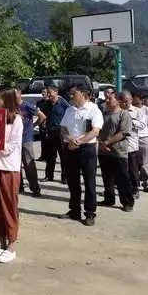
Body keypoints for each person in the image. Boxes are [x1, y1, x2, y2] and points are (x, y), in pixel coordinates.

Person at [0, 89, 23, 264]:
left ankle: (11, 245)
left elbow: (12, 146)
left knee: (8, 206)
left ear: (6, 101)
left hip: (8, 169)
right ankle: (2, 243)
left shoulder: (16, 120)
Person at [58, 85, 104, 226]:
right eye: (70, 94)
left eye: (74, 94)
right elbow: (63, 128)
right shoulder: (69, 110)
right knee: (73, 182)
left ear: (84, 94)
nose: (71, 97)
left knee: (89, 182)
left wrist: (78, 141)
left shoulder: (93, 110)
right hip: (70, 148)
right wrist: (69, 138)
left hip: (87, 149)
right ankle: (74, 210)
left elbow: (95, 131)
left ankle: (90, 213)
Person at [98, 92, 135, 212]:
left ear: (118, 101)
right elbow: (97, 130)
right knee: (107, 177)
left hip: (118, 152)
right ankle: (109, 198)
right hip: (104, 152)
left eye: (110, 99)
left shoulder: (124, 114)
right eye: (107, 99)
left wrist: (107, 142)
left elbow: (123, 133)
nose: (107, 101)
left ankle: (127, 202)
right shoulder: (104, 114)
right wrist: (101, 143)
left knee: (122, 178)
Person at [118, 91, 148, 198]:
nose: (124, 104)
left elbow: (142, 125)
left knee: (132, 169)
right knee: (120, 169)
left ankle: (135, 188)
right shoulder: (117, 111)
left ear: (131, 100)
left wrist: (130, 121)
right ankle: (121, 188)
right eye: (122, 101)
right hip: (118, 145)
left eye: (126, 101)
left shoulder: (138, 111)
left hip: (131, 144)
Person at [16, 89, 44, 197]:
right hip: (15, 141)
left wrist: (33, 126)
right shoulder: (12, 107)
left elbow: (42, 116)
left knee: (29, 165)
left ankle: (35, 188)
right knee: (16, 166)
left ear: (19, 94)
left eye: (16, 93)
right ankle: (19, 187)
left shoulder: (27, 106)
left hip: (26, 140)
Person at [43, 86, 70, 183]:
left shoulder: (63, 103)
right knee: (50, 156)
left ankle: (65, 177)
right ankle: (49, 176)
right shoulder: (46, 104)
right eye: (47, 93)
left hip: (61, 133)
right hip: (50, 132)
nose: (48, 95)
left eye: (50, 93)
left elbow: (70, 115)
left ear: (56, 92)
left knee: (63, 156)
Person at [132, 93, 148, 193]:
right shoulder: (130, 109)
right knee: (133, 163)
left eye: (135, 99)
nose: (133, 101)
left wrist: (146, 133)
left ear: (141, 100)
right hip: (132, 138)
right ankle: (134, 184)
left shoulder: (147, 110)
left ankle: (146, 183)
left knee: (145, 163)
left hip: (144, 138)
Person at [36, 89, 51, 161]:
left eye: (44, 92)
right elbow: (39, 114)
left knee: (49, 142)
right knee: (43, 141)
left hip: (50, 124)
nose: (43, 93)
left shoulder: (51, 102)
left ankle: (49, 156)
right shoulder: (39, 103)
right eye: (42, 92)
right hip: (42, 124)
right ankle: (43, 156)